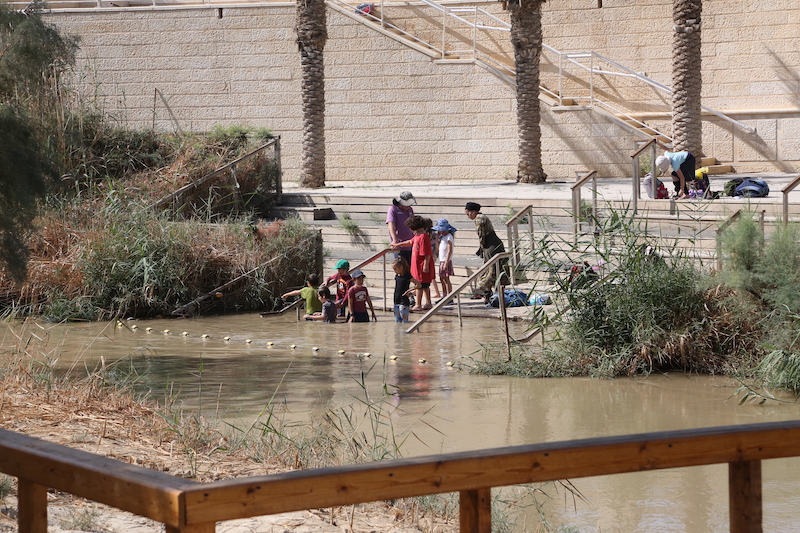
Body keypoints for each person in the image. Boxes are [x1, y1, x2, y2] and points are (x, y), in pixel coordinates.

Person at [464, 202, 507, 303]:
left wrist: (482, 246)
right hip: (493, 244)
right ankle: (493, 294)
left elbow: (481, 234)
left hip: (491, 245)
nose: (468, 216)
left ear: (473, 212)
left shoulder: (479, 218)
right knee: (495, 269)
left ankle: (489, 295)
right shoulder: (482, 217)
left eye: (468, 214)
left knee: (490, 270)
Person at [391, 215, 434, 311]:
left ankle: (418, 304)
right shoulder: (417, 236)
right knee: (425, 285)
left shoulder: (423, 237)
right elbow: (410, 242)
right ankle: (428, 303)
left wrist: (426, 265)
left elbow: (427, 253)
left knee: (420, 285)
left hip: (422, 265)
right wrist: (398, 244)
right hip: (417, 265)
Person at [386, 191, 416, 263]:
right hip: (399, 245)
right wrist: (394, 240)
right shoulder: (393, 209)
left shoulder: (410, 210)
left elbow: (413, 225)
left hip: (410, 245)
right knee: (401, 268)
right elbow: (391, 225)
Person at [432, 218, 456, 301]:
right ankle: (444, 295)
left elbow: (449, 250)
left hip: (446, 260)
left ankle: (449, 296)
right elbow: (438, 248)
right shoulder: (442, 237)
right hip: (442, 260)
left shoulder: (449, 237)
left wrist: (446, 262)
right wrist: (437, 238)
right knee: (441, 278)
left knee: (446, 279)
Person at [391, 256, 419, 323]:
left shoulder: (407, 276)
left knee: (404, 319)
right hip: (396, 298)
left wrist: (409, 291)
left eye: (395, 269)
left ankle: (405, 331)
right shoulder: (397, 276)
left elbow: (418, 284)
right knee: (397, 319)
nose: (394, 271)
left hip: (404, 300)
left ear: (401, 267)